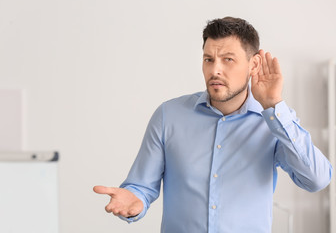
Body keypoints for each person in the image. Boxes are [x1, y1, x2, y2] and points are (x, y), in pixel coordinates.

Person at [93, 17, 333, 232]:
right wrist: (135, 199)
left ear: (254, 65)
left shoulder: (273, 122)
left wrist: (274, 106)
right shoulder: (169, 115)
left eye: (228, 59)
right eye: (209, 59)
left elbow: (316, 179)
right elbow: (141, 187)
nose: (215, 69)